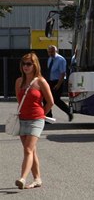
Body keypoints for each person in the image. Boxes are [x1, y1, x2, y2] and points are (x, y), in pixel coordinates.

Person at [14, 52, 54, 189]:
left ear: (35, 65)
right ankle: (37, 179)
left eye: (29, 64)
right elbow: (19, 101)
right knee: (32, 151)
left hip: (36, 120)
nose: (26, 66)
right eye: (24, 64)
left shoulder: (40, 81)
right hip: (22, 119)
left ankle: (22, 178)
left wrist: (41, 114)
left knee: (28, 149)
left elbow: (50, 102)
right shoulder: (19, 81)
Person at [45, 45, 73, 121]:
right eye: (49, 52)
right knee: (46, 99)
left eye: (52, 52)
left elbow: (62, 73)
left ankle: (68, 111)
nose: (50, 53)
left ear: (56, 51)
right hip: (50, 81)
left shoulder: (61, 60)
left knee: (56, 99)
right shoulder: (50, 59)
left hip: (58, 81)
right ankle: (48, 117)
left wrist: (58, 84)